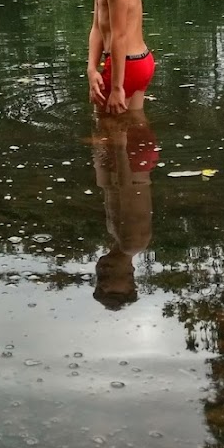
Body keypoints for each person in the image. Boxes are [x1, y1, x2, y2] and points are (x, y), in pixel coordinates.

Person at [91, 115, 157, 309]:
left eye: (100, 278)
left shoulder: (116, 236)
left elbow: (112, 190)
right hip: (129, 161)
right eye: (110, 275)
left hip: (123, 161)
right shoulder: (132, 243)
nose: (102, 278)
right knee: (127, 111)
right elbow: (126, 191)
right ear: (130, 275)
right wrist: (120, 146)